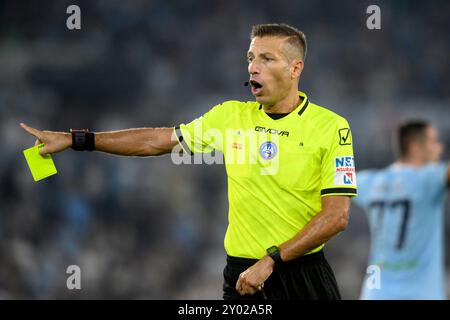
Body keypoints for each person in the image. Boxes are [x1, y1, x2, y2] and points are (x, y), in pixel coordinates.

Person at [20, 23, 357, 300]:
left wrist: (272, 260)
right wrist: (77, 139)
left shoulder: (331, 127)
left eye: (267, 59)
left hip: (302, 276)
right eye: (250, 57)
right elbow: (156, 141)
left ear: (295, 67)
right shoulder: (229, 116)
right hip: (242, 275)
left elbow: (336, 217)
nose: (253, 67)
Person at [354, 120, 450, 300]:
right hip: (422, 293)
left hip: (376, 291)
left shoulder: (369, 181)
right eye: (434, 141)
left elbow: (331, 182)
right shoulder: (429, 180)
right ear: (415, 148)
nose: (440, 148)